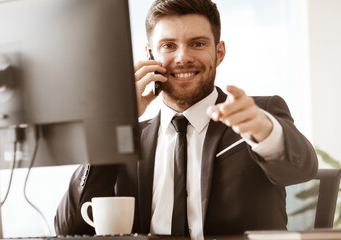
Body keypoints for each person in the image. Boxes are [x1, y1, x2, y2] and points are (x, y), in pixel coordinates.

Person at [54, 0, 318, 239]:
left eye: (198, 44)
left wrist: (264, 131)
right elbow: (70, 229)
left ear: (219, 52)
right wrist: (112, 124)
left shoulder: (255, 115)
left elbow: (301, 170)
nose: (182, 58)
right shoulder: (126, 138)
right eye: (168, 46)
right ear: (150, 55)